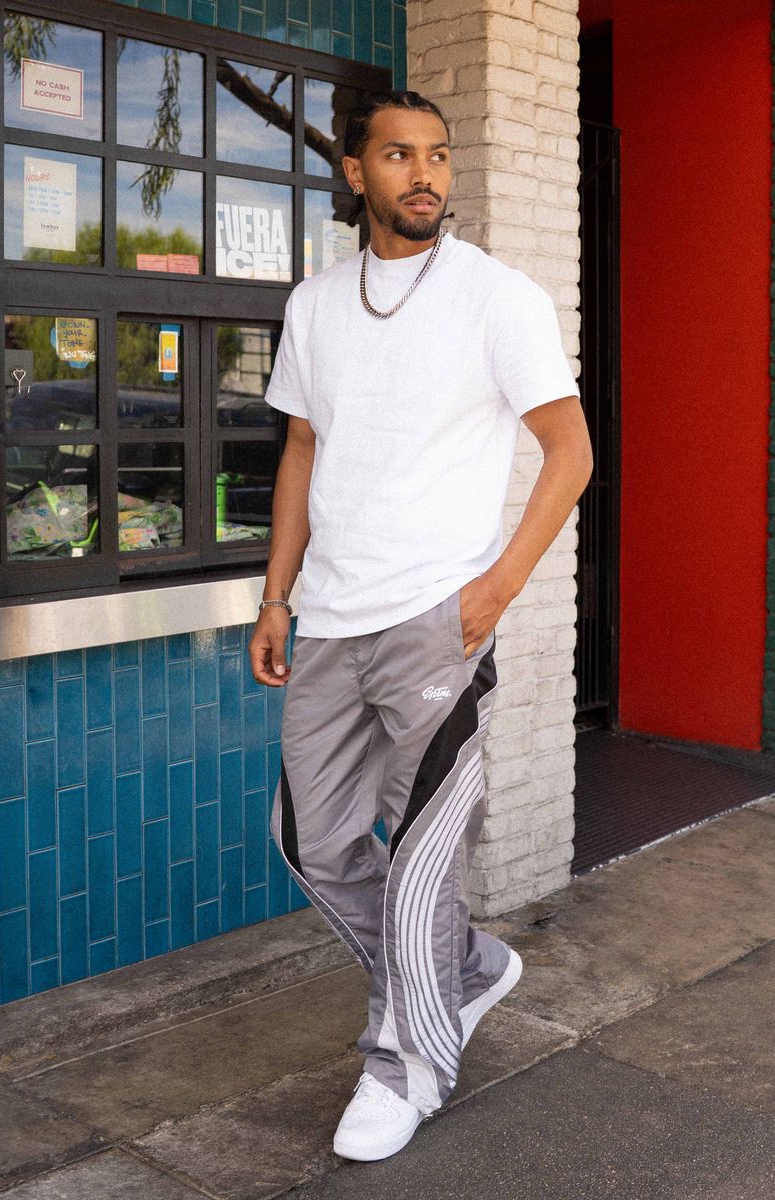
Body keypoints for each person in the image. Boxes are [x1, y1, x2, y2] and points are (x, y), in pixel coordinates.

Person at [248, 89, 593, 1162]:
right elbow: (303, 451)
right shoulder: (316, 304)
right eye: (399, 155)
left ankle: (407, 1063)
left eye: (438, 155)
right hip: (328, 617)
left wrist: (496, 590)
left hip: (438, 620)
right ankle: (466, 970)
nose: (426, 174)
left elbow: (571, 450)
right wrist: (276, 595)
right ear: (357, 172)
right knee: (309, 840)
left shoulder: (496, 297)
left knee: (422, 861)